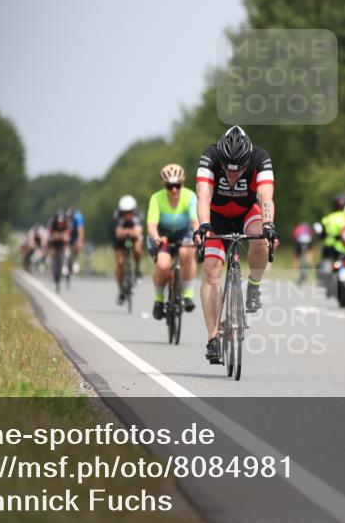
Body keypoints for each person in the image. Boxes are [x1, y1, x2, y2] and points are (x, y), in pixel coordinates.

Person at [193, 125, 278, 364]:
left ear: (247, 160)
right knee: (211, 270)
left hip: (246, 213)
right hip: (216, 216)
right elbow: (203, 196)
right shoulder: (209, 157)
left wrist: (269, 224)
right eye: (227, 169)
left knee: (261, 237)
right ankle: (212, 337)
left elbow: (265, 198)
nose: (232, 175)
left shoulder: (260, 158)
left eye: (238, 169)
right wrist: (204, 225)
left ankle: (253, 285)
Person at [146, 164, 200, 320]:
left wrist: (197, 234)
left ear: (182, 184)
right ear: (164, 185)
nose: (174, 189)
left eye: (177, 185)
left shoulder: (190, 196)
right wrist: (155, 237)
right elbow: (151, 225)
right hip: (163, 234)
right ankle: (158, 300)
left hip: (184, 232)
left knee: (187, 253)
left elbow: (195, 221)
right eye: (170, 186)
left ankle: (188, 294)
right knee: (162, 265)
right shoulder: (156, 198)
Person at [112, 195, 143, 305]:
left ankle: (138, 268)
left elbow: (138, 231)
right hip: (120, 241)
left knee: (138, 249)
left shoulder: (138, 215)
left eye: (129, 212)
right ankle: (121, 289)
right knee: (120, 263)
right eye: (124, 212)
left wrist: (128, 232)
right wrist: (128, 232)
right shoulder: (117, 216)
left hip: (134, 238)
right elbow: (118, 233)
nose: (127, 215)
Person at [47, 211, 71, 287]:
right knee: (53, 255)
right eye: (59, 223)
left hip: (62, 243)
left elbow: (66, 237)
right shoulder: (52, 224)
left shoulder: (66, 224)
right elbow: (50, 237)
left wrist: (60, 236)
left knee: (63, 257)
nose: (60, 225)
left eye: (62, 223)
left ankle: (63, 271)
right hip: (53, 243)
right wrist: (58, 236)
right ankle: (53, 272)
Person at [67, 206, 85, 276]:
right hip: (68, 233)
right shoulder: (67, 218)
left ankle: (75, 261)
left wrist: (80, 242)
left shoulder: (78, 218)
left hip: (76, 234)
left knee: (76, 248)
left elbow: (80, 230)